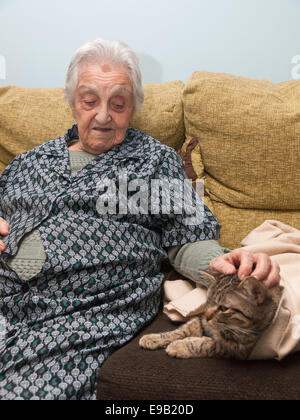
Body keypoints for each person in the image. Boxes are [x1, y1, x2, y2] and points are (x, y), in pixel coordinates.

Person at [0, 39, 280, 400]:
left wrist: (222, 261)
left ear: (133, 107)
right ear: (72, 103)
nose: (103, 116)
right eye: (89, 102)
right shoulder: (27, 162)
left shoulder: (153, 162)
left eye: (118, 104)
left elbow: (188, 235)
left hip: (81, 316)